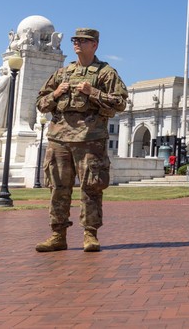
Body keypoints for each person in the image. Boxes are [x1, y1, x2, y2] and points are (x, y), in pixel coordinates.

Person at [34, 28, 128, 253]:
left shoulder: (105, 73)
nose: (77, 43)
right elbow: (40, 103)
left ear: (94, 44)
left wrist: (93, 92)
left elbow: (120, 103)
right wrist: (56, 94)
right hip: (59, 139)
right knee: (58, 188)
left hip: (90, 140)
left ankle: (90, 234)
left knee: (91, 188)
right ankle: (58, 235)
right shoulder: (62, 73)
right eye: (75, 40)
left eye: (83, 40)